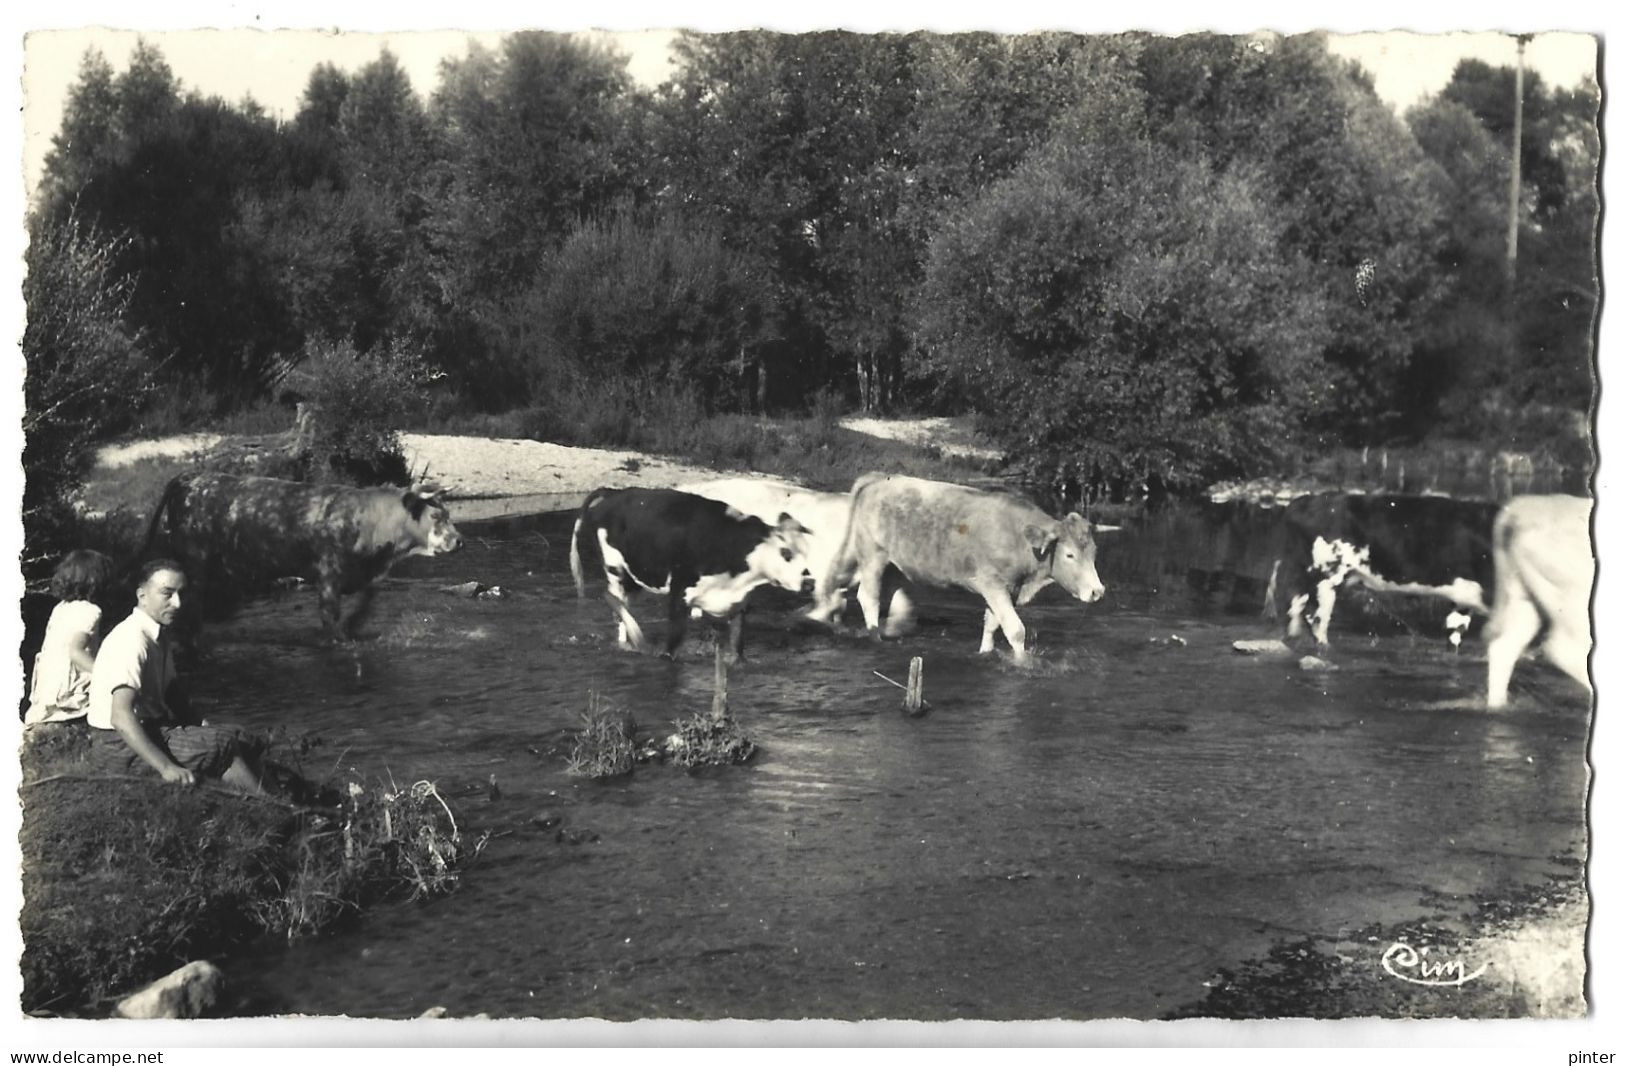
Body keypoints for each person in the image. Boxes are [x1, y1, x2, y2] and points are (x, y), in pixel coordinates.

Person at [87, 558, 269, 794]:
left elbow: (173, 694)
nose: (178, 603)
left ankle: (275, 797)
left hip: (149, 728)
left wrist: (201, 724)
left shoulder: (158, 634)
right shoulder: (131, 640)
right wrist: (166, 768)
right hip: (118, 745)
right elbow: (120, 717)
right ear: (142, 595)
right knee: (221, 743)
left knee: (242, 737)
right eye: (167, 594)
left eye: (181, 593)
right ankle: (270, 807)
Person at [25, 549, 116, 726]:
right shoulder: (90, 611)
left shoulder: (61, 608)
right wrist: (106, 674)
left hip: (50, 687)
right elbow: (76, 651)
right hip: (69, 691)